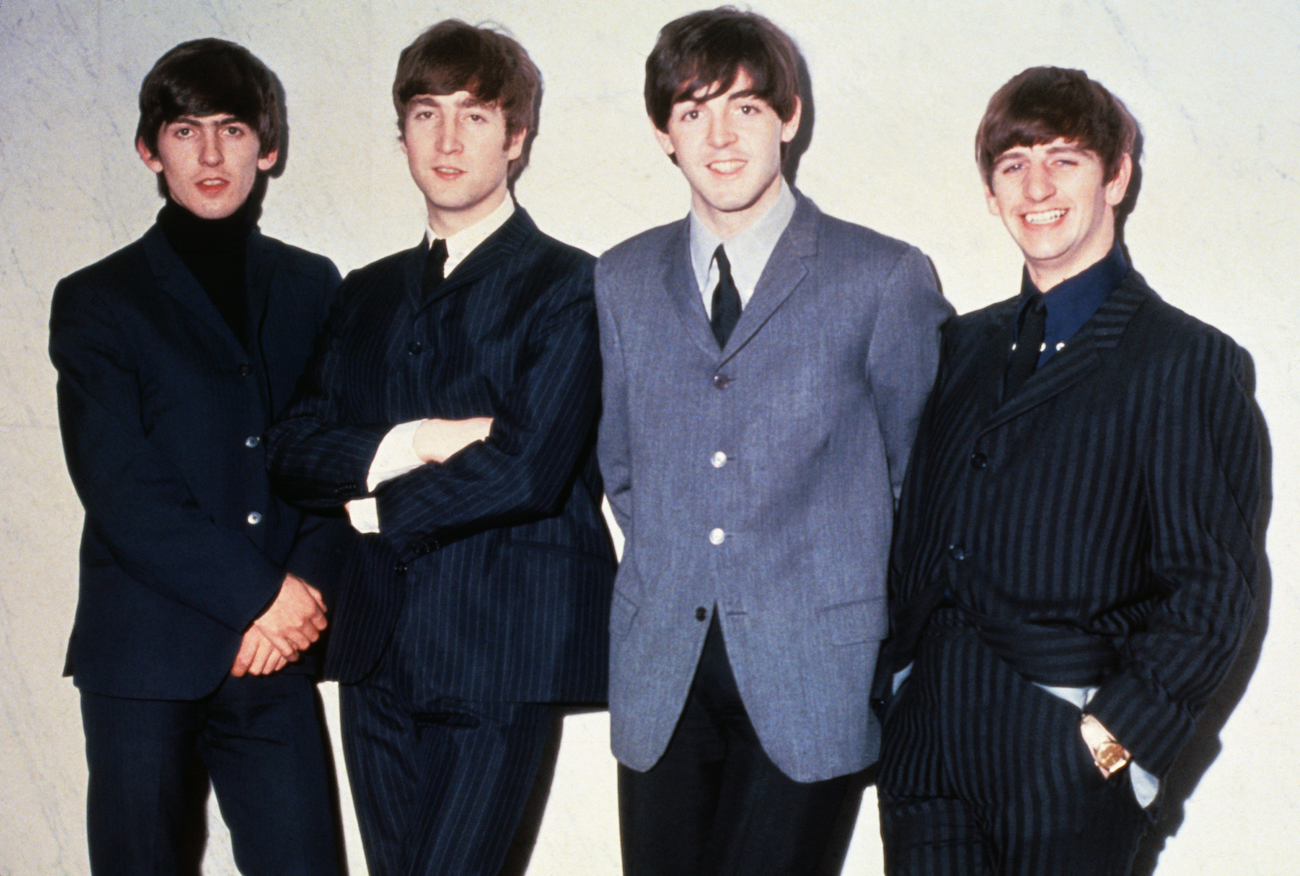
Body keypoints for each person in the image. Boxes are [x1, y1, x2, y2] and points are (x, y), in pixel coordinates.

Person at [873, 66, 1261, 876]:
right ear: (990, 191)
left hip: (1064, 746)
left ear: (1117, 176)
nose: (1036, 185)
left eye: (1065, 158)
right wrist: (898, 689)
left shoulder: (1184, 360)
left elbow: (1213, 585)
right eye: (1013, 165)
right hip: (924, 745)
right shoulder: (960, 349)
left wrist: (1119, 737)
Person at [594, 8, 951, 874]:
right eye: (692, 111)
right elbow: (623, 466)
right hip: (660, 676)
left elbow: (924, 482)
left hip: (813, 673)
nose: (720, 137)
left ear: (790, 117)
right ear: (661, 133)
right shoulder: (620, 276)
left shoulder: (883, 276)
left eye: (746, 108)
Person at [265, 20, 615, 876]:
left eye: (477, 115)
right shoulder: (364, 293)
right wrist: (414, 440)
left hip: (502, 645)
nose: (448, 139)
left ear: (518, 137)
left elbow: (531, 468)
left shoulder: (573, 284)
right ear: (403, 134)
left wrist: (370, 503)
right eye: (427, 114)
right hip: (376, 643)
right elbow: (290, 451)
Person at [49, 38, 345, 876]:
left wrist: (303, 600)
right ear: (150, 150)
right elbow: (122, 488)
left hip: (273, 653)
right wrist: (260, 596)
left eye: (232, 129)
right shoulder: (97, 301)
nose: (211, 155)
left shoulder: (312, 285)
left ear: (268, 145)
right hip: (143, 655)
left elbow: (327, 460)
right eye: (185, 131)